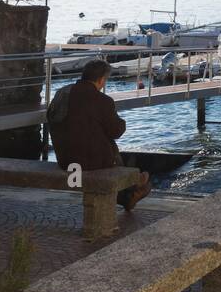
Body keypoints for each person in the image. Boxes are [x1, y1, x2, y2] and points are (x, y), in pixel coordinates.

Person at [48, 59, 151, 211]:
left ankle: (130, 191)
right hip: (91, 163)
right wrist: (121, 122)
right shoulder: (103, 101)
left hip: (65, 159)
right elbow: (117, 131)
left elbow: (51, 117)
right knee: (110, 149)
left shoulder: (62, 92)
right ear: (102, 79)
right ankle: (131, 189)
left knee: (95, 136)